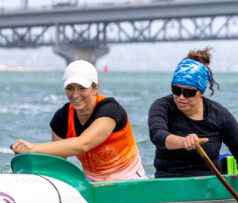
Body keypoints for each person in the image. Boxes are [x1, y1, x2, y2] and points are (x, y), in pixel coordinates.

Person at [148, 48, 238, 203]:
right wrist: (184, 142)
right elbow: (157, 135)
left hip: (209, 191)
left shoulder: (220, 115)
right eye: (176, 90)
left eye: (189, 92)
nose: (181, 97)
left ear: (201, 91)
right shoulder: (162, 106)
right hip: (168, 186)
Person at [11, 60, 147, 182]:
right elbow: (59, 161)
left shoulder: (110, 110)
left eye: (82, 88)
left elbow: (83, 144)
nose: (75, 95)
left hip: (129, 180)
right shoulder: (62, 118)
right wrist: (28, 159)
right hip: (90, 185)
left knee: (110, 180)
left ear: (95, 88)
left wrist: (33, 148)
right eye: (70, 88)